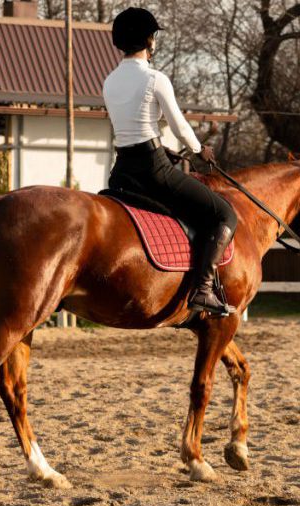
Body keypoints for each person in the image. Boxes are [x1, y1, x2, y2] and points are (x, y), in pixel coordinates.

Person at [103, 7, 237, 316]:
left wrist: (167, 150)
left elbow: (134, 127)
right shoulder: (155, 78)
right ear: (149, 40)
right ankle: (203, 289)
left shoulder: (109, 82)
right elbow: (179, 125)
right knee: (224, 214)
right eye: (154, 38)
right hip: (153, 171)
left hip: (122, 172)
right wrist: (199, 150)